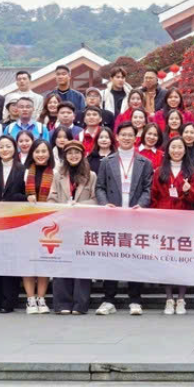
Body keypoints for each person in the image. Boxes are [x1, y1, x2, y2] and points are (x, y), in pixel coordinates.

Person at [94, 121, 154, 316]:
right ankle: (108, 299)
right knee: (110, 257)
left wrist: (142, 204)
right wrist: (105, 204)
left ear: (136, 138)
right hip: (113, 216)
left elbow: (148, 189)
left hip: (135, 216)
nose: (127, 138)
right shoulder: (106, 161)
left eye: (130, 135)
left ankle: (135, 299)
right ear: (117, 137)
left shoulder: (145, 163)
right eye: (123, 135)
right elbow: (100, 187)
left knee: (135, 257)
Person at [151, 136, 194, 314]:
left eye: (180, 147)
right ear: (168, 150)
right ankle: (168, 298)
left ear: (185, 150)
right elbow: (154, 196)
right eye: (173, 147)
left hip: (184, 221)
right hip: (164, 221)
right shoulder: (158, 171)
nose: (177, 150)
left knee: (182, 260)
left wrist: (189, 192)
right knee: (166, 260)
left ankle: (181, 298)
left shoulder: (192, 172)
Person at [45, 141, 96, 315]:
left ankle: (80, 304)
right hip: (63, 224)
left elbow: (96, 199)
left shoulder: (92, 176)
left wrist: (80, 205)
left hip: (83, 226)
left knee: (82, 263)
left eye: (77, 152)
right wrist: (62, 206)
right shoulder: (58, 175)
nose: (73, 156)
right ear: (65, 156)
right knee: (62, 262)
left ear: (82, 155)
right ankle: (62, 303)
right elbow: (51, 198)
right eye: (69, 153)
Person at [0, 134, 28, 313]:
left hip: (13, 221)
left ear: (14, 148)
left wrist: (11, 201)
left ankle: (8, 302)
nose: (4, 150)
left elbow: (27, 195)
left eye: (8, 146)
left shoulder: (22, 169)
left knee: (10, 261)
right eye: (1, 147)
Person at [20, 138, 56, 314]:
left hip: (49, 225)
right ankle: (30, 299)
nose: (41, 155)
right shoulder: (23, 172)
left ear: (49, 153)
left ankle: (41, 298)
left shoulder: (56, 172)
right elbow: (15, 194)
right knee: (28, 261)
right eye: (37, 151)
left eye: (44, 151)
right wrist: (25, 198)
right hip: (27, 223)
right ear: (31, 153)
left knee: (44, 261)